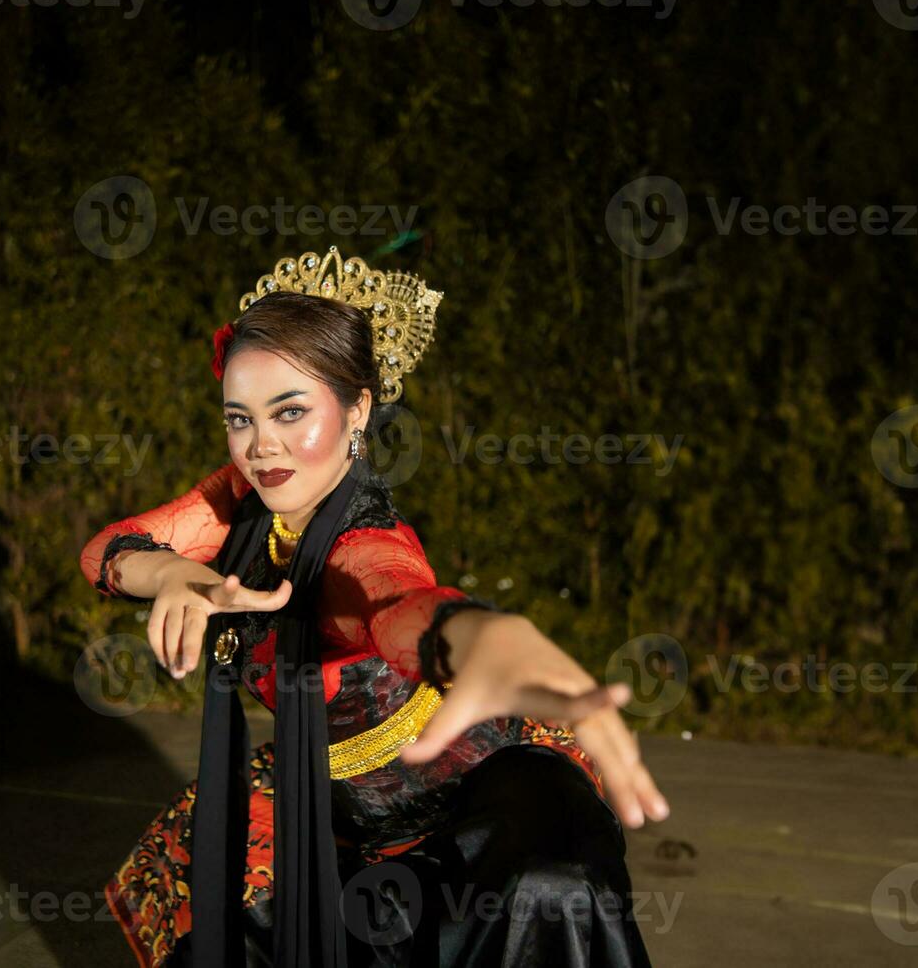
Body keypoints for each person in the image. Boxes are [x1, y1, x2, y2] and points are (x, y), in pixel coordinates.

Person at [80, 247, 667, 967]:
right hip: (339, 798)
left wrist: (473, 635)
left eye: (291, 412)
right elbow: (109, 549)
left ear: (357, 408)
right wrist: (169, 572)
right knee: (201, 886)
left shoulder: (363, 534)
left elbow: (393, 600)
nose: (263, 445)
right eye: (240, 418)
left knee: (543, 893)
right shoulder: (243, 499)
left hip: (480, 791)